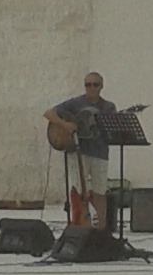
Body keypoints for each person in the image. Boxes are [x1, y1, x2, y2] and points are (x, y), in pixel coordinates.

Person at [46, 71, 111, 226]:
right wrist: (65, 125)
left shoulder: (108, 107)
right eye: (88, 85)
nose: (91, 88)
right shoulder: (75, 103)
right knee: (78, 192)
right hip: (78, 152)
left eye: (95, 85)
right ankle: (81, 225)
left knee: (100, 192)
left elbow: (111, 130)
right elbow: (49, 113)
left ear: (101, 86)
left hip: (100, 153)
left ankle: (101, 230)